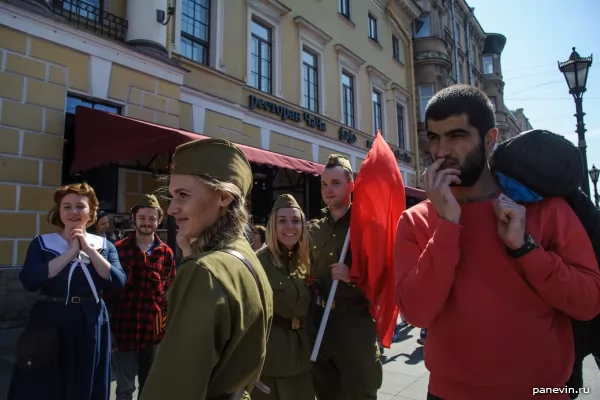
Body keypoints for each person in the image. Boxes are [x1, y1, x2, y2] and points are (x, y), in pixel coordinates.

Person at [394, 84, 600, 400]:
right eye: (434, 137)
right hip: (450, 395)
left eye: (456, 136)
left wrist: (525, 248)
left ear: (490, 139)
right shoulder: (416, 220)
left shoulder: (545, 208)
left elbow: (588, 303)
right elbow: (417, 314)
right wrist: (447, 226)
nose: (440, 151)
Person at [141, 138, 274, 400]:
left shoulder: (205, 272)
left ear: (224, 197)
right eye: (172, 195)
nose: (171, 208)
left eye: (183, 195)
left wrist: (195, 263)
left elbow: (173, 388)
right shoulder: (246, 258)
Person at [8, 182, 126, 400]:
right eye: (67, 206)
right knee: (45, 382)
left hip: (89, 319)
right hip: (50, 319)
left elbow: (118, 281)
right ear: (59, 211)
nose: (73, 212)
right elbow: (30, 280)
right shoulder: (42, 243)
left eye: (80, 206)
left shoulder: (104, 245)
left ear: (91, 211)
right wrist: (70, 252)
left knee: (85, 380)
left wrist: (89, 250)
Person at [308, 154, 382, 400]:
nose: (328, 190)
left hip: (355, 327)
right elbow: (306, 272)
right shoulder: (314, 229)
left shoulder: (366, 225)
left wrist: (353, 277)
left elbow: (384, 277)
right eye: (324, 184)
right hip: (321, 326)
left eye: (335, 183)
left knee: (358, 393)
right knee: (325, 392)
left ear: (351, 186)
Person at [104, 194, 176, 400]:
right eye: (142, 217)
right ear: (134, 219)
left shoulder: (166, 253)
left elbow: (169, 292)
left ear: (159, 220)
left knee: (149, 386)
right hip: (123, 330)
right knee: (125, 388)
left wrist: (166, 326)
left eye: (151, 218)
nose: (147, 222)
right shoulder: (117, 250)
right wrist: (108, 329)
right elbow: (107, 293)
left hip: (153, 331)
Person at [253, 194, 314, 400]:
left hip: (302, 357)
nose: (290, 226)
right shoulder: (259, 262)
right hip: (270, 363)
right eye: (282, 221)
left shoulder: (304, 262)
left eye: (296, 221)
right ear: (272, 226)